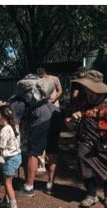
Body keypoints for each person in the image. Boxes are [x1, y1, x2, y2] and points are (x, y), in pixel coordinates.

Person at [68, 70, 107, 208]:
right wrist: (74, 116)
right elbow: (72, 115)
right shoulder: (82, 98)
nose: (85, 89)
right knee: (83, 161)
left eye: (88, 87)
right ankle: (91, 195)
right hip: (87, 139)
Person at [38, 67, 63, 195]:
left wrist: (54, 100)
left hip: (52, 111)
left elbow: (60, 90)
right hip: (47, 113)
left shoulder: (54, 79)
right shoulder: (38, 81)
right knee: (48, 148)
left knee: (51, 148)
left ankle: (48, 181)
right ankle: (48, 181)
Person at [0, 105, 23, 208]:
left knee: (8, 184)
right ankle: (6, 201)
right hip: (17, 156)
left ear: (2, 117)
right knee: (8, 181)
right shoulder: (15, 127)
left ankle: (13, 207)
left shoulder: (4, 130)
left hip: (10, 159)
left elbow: (1, 146)